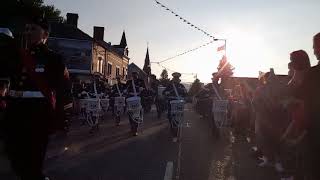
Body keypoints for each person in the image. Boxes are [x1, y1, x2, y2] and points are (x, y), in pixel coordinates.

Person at [1, 16, 70, 180]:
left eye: (33, 29)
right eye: (27, 29)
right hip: (14, 112)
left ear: (45, 34)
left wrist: (62, 117)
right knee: (13, 155)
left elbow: (62, 90)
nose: (28, 32)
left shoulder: (54, 59)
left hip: (38, 115)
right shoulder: (17, 56)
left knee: (33, 160)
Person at [296, 33, 320, 180]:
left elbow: (303, 105)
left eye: (314, 46)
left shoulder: (312, 74)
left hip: (314, 132)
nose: (313, 50)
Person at [163, 72, 187, 142]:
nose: (176, 79)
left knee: (179, 118)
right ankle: (174, 133)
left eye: (177, 78)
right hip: (171, 103)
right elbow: (163, 92)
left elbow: (186, 94)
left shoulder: (181, 86)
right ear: (173, 78)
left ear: (179, 79)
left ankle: (175, 134)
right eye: (175, 78)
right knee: (171, 117)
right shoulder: (170, 86)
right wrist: (166, 93)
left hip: (179, 104)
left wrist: (184, 94)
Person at [126, 71, 146, 136]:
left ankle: (135, 129)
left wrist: (142, 89)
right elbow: (126, 89)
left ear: (137, 75)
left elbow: (145, 89)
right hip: (131, 99)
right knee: (130, 113)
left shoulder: (141, 81)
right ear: (132, 75)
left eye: (135, 74)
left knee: (137, 113)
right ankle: (132, 126)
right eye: (133, 75)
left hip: (138, 99)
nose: (134, 76)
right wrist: (125, 91)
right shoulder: (129, 82)